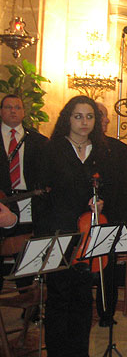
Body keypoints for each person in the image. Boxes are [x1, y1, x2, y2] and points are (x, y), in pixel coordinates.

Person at [32, 95, 113, 357]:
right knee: (58, 299)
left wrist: (102, 203)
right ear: (68, 118)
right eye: (78, 116)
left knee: (82, 299)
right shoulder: (52, 149)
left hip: (87, 234)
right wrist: (44, 238)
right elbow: (40, 195)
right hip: (58, 232)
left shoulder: (101, 151)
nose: (84, 122)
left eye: (89, 117)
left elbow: (109, 190)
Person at [0, 94, 47, 291]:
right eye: (8, 107)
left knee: (26, 256)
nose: (13, 111)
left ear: (23, 112)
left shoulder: (38, 140)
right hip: (1, 201)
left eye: (17, 107)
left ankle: (28, 304)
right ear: (1, 111)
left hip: (28, 201)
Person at [94, 102, 127, 327]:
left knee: (108, 270)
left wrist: (123, 221)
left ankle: (107, 313)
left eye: (104, 116)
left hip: (112, 217)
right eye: (101, 116)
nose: (106, 120)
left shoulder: (118, 148)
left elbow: (125, 187)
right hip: (83, 217)